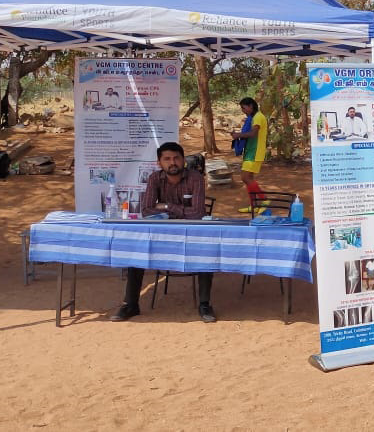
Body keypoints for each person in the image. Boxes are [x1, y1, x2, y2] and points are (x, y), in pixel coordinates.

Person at [110, 142, 214, 323]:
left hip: (190, 233)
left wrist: (166, 206)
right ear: (159, 163)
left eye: (176, 158)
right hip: (162, 233)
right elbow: (147, 210)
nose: (172, 163)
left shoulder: (195, 178)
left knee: (206, 251)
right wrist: (180, 211)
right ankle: (131, 304)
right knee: (137, 251)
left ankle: (205, 304)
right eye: (167, 159)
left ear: (183, 161)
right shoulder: (155, 178)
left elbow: (198, 213)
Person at [231, 97, 268, 213]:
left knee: (245, 177)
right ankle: (254, 206)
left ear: (251, 106)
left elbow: (253, 133)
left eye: (244, 107)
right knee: (248, 179)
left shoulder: (258, 117)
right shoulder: (253, 117)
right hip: (250, 152)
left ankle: (264, 200)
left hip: (255, 152)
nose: (243, 110)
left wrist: (238, 135)